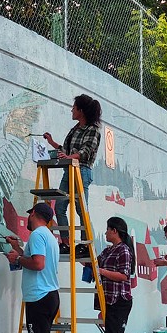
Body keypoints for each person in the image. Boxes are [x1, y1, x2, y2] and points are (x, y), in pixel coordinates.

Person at [5, 203, 61, 333]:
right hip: (48, 295)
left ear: (34, 214)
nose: (27, 219)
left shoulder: (37, 235)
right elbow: (36, 259)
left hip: (39, 297)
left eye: (29, 215)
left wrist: (18, 258)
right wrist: (19, 249)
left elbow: (38, 264)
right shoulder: (48, 236)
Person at [43, 94, 102, 257]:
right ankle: (66, 243)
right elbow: (66, 151)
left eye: (74, 108)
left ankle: (84, 244)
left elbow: (86, 151)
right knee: (60, 207)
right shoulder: (74, 129)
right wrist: (52, 143)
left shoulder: (93, 130)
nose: (71, 110)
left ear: (80, 110)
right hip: (69, 170)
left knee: (80, 208)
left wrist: (69, 157)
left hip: (81, 170)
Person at [93, 217, 135, 333]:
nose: (105, 233)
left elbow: (124, 276)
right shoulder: (108, 251)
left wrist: (101, 271)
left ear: (114, 231)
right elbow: (94, 262)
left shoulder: (123, 251)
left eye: (107, 229)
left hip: (119, 300)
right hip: (109, 299)